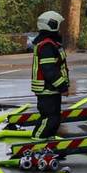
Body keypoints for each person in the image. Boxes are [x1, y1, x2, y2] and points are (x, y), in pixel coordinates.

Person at [30, 10, 70, 140]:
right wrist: (63, 87)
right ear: (52, 25)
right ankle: (36, 143)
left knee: (54, 119)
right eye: (59, 25)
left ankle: (49, 146)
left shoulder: (50, 43)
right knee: (49, 119)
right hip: (47, 89)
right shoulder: (47, 45)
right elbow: (50, 71)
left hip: (51, 90)